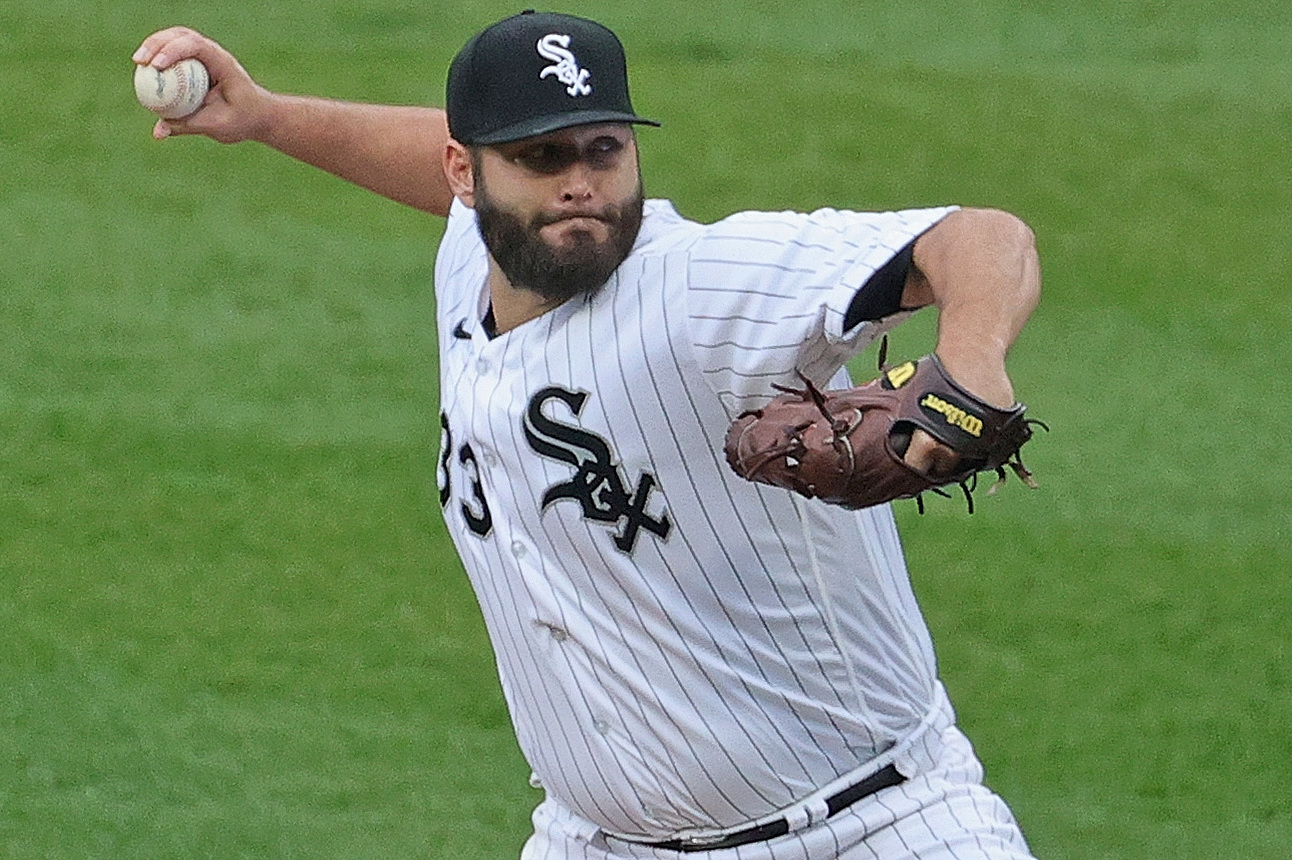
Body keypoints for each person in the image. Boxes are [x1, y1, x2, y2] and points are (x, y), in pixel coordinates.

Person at [133, 11, 1042, 859]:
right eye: (539, 156)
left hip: (874, 825)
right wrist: (265, 117)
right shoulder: (475, 260)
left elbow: (980, 239)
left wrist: (969, 370)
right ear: (467, 175)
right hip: (594, 841)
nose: (579, 186)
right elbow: (438, 154)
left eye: (603, 151)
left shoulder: (700, 284)